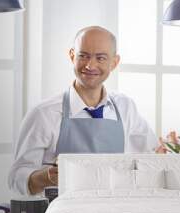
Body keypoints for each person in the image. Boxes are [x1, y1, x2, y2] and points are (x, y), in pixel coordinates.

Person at [9, 26, 164, 195]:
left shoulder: (125, 108)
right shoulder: (43, 114)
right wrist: (48, 177)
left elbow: (151, 157)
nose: (90, 65)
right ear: (71, 55)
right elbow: (17, 178)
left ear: (114, 62)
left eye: (101, 58)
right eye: (83, 56)